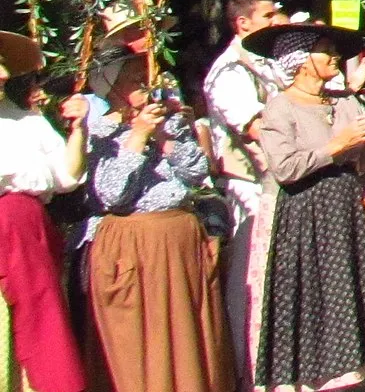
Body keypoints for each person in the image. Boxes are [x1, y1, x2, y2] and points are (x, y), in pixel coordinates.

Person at [79, 49, 236, 392]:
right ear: (112, 88)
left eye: (145, 78)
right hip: (135, 249)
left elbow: (197, 173)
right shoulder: (101, 134)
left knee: (189, 340)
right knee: (143, 344)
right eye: (134, 80)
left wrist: (167, 138)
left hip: (180, 244)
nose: (144, 86)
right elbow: (111, 194)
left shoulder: (169, 122)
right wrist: (136, 137)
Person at [245, 24, 365, 391]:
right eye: (327, 50)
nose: (336, 58)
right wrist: (337, 147)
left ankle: (341, 374)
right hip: (305, 212)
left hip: (343, 207)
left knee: (342, 290)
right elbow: (286, 168)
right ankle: (305, 378)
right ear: (302, 60)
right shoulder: (280, 108)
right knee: (309, 296)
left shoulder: (343, 101)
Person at [199, 0, 286, 384]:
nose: (275, 22)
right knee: (254, 278)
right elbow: (256, 128)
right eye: (267, 16)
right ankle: (251, 369)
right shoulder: (229, 72)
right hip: (250, 186)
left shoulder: (266, 63)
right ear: (243, 22)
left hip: (280, 180)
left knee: (279, 279)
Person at [0, 32, 89, 392]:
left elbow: (67, 176)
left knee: (42, 322)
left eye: (4, 64)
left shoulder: (27, 120)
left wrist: (78, 129)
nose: (4, 74)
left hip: (28, 229)